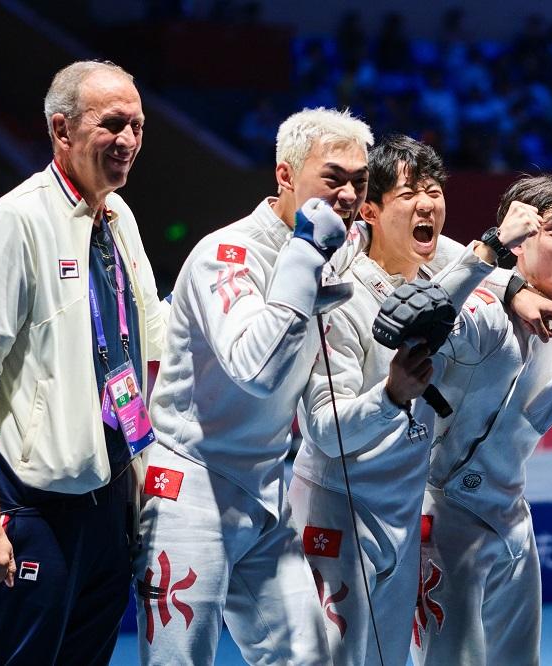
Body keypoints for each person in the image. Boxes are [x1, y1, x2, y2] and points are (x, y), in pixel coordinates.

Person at [0, 60, 167, 664]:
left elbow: (151, 336)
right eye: (113, 124)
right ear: (61, 130)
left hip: (110, 504)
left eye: (138, 126)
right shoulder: (15, 222)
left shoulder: (121, 218)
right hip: (35, 509)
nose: (128, 141)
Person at [289, 135, 541, 666]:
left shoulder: (438, 261)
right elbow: (322, 429)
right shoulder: (340, 290)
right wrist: (388, 397)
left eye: (434, 190)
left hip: (402, 511)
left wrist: (520, 287)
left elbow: (477, 271)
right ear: (372, 210)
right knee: (328, 661)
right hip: (339, 506)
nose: (427, 203)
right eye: (409, 193)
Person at [133, 107, 372, 664]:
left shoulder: (343, 242)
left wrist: (510, 289)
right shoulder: (228, 255)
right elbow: (256, 370)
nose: (347, 197)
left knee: (310, 655)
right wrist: (305, 253)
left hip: (267, 490)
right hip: (190, 488)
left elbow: (417, 244)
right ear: (285, 176)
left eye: (359, 183)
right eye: (332, 178)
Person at [413, 174, 552, 665]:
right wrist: (504, 282)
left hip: (512, 514)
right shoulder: (479, 308)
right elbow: (427, 271)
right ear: (520, 240)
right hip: (441, 511)